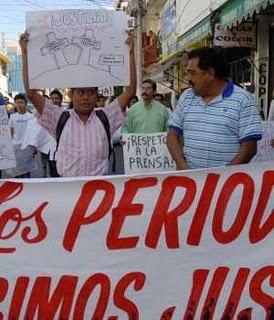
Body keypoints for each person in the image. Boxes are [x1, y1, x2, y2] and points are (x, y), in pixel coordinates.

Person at [19, 31, 136, 177]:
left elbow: (130, 92)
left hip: (98, 191)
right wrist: (25, 53)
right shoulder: (59, 117)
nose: (86, 97)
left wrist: (131, 53)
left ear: (96, 96)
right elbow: (31, 93)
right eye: (81, 93)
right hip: (68, 192)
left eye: (91, 93)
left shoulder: (106, 117)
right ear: (71, 95)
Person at [167, 47, 262, 170]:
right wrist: (182, 166)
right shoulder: (187, 97)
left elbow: (249, 147)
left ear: (210, 73)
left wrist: (222, 177)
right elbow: (172, 135)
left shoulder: (243, 99)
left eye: (192, 73)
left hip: (226, 185)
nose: (188, 79)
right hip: (191, 183)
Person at [9, 93, 34, 178]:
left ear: (25, 104)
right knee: (17, 173)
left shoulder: (31, 117)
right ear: (15, 104)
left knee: (27, 173)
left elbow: (33, 132)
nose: (19, 104)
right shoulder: (12, 117)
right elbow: (11, 132)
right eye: (17, 102)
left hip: (27, 147)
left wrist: (34, 146)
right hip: (16, 146)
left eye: (21, 102)